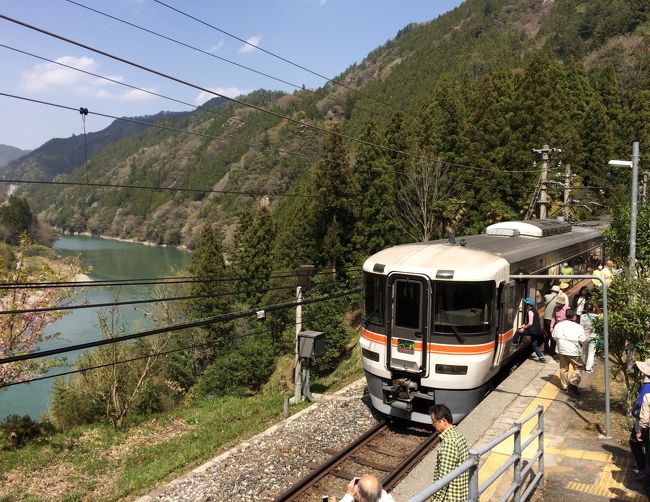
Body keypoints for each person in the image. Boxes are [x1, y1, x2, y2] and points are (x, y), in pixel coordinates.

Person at [430, 404, 469, 502]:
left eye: (434, 422)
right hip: (461, 494)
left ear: (443, 421)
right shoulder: (458, 435)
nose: (433, 425)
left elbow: (444, 478)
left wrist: (435, 500)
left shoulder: (448, 443)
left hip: (451, 497)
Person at [552, 309, 587, 394]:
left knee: (563, 368)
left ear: (565, 316)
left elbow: (554, 337)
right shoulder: (578, 327)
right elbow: (583, 339)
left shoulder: (558, 325)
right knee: (578, 368)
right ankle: (573, 383)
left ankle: (564, 386)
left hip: (562, 350)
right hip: (574, 351)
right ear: (574, 317)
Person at [631, 359, 650, 482]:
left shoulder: (646, 387)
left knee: (634, 442)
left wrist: (639, 429)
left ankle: (643, 470)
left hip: (644, 422)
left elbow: (640, 407)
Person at [513, 297, 545, 362]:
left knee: (518, 331)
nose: (525, 305)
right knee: (534, 344)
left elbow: (530, 323)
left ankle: (513, 344)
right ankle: (541, 358)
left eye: (526, 304)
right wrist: (523, 325)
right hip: (537, 331)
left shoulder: (530, 311)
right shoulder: (534, 310)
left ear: (528, 305)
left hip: (533, 331)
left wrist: (523, 328)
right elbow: (530, 322)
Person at [580, 303, 600, 373]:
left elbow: (581, 327)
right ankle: (588, 368)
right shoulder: (597, 317)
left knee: (584, 350)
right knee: (591, 352)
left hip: (585, 335)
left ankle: (584, 364)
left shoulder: (582, 316)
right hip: (594, 335)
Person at [543, 285, 560, 356]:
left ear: (551, 290)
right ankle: (552, 351)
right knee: (553, 336)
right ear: (558, 292)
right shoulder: (559, 299)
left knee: (546, 335)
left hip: (546, 318)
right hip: (554, 320)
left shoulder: (547, 296)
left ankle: (546, 350)